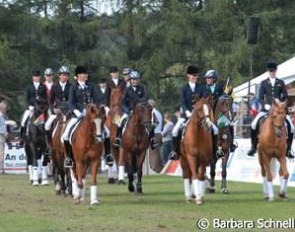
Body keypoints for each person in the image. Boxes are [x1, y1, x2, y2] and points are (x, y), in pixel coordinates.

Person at [247, 61, 294, 158]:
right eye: (270, 71)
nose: (272, 73)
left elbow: (285, 96)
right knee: (253, 124)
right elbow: (260, 97)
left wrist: (281, 103)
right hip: (266, 109)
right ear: (268, 72)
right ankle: (253, 147)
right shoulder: (264, 83)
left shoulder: (280, 82)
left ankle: (289, 149)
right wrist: (265, 105)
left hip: (279, 109)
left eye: (273, 71)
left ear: (276, 71)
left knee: (292, 127)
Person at [169, 65, 206, 160]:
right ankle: (175, 152)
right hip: (186, 115)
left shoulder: (202, 88)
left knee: (214, 129)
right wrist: (187, 112)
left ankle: (214, 151)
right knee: (174, 131)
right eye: (192, 75)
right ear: (188, 76)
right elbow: (183, 102)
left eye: (196, 75)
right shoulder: (184, 88)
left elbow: (203, 101)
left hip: (199, 115)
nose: (194, 77)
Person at [203, 69, 237, 156]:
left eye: (209, 78)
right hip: (208, 112)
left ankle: (231, 143)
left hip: (219, 113)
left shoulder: (219, 87)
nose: (207, 80)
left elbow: (226, 98)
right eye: (206, 78)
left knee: (229, 124)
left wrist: (226, 93)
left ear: (214, 79)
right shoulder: (204, 89)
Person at [113, 70, 149, 147]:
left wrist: (138, 104)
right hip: (129, 110)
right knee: (120, 122)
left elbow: (145, 99)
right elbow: (123, 103)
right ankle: (118, 138)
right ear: (131, 80)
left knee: (149, 121)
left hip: (141, 111)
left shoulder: (142, 88)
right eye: (133, 79)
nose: (134, 81)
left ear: (138, 80)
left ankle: (151, 139)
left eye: (136, 79)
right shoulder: (127, 89)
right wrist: (128, 111)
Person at [44, 66, 72, 151]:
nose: (65, 77)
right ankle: (50, 146)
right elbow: (50, 101)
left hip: (69, 111)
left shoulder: (71, 86)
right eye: (63, 75)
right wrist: (54, 109)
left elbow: (73, 100)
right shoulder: (54, 87)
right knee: (47, 125)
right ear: (59, 76)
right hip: (58, 111)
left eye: (66, 75)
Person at [20, 70, 47, 140]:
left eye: (38, 76)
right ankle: (22, 136)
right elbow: (26, 98)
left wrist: (43, 107)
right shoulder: (29, 86)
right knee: (23, 120)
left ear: (40, 77)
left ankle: (47, 136)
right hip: (31, 107)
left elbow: (45, 98)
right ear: (33, 77)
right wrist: (29, 106)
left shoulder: (43, 86)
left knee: (47, 119)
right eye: (35, 77)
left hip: (40, 109)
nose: (36, 78)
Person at [0, 102, 8, 174]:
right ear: (1, 108)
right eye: (5, 108)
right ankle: (1, 169)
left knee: (2, 152)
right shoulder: (0, 116)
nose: (6, 110)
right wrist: (4, 133)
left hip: (2, 135)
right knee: (1, 153)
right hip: (1, 135)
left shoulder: (3, 116)